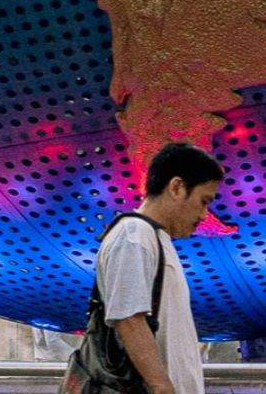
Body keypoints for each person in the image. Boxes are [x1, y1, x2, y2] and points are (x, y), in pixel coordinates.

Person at [94, 143, 223, 394]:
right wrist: (162, 386)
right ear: (176, 187)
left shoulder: (153, 237)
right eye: (203, 201)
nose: (205, 215)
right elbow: (129, 319)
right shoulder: (134, 234)